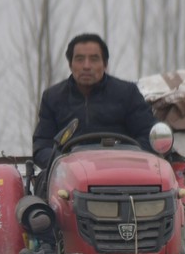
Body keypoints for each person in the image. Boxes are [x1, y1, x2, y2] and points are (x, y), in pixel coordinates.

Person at [30, 33, 156, 170]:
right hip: (66, 175)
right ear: (70, 64)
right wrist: (63, 163)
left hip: (121, 173)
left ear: (105, 64)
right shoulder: (52, 97)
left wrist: (124, 158)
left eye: (94, 59)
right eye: (79, 59)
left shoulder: (127, 93)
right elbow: (42, 145)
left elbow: (149, 136)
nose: (86, 66)